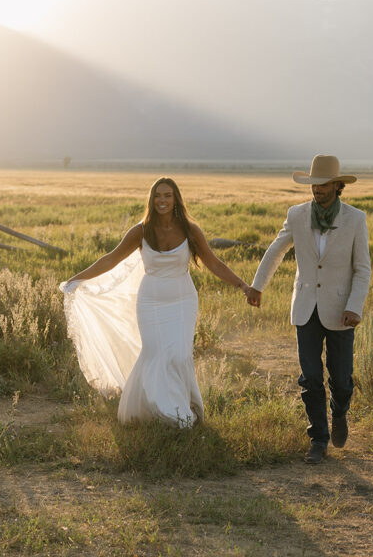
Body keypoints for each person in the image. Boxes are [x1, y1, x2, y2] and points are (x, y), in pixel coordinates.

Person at [61, 176, 257, 426]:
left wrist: (243, 285)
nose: (162, 200)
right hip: (151, 300)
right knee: (155, 353)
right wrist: (76, 279)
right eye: (157, 196)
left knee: (178, 354)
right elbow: (111, 259)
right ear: (151, 200)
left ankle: (179, 409)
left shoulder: (190, 230)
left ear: (176, 199)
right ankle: (160, 410)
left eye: (167, 195)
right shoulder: (141, 231)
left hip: (183, 299)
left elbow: (214, 263)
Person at [246, 155, 371, 463]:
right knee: (310, 377)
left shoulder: (355, 219)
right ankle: (318, 439)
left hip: (341, 309)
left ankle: (339, 412)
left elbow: (362, 269)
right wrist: (257, 285)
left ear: (338, 186)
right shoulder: (297, 215)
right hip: (305, 307)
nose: (318, 190)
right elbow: (277, 249)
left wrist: (355, 306)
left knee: (341, 379)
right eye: (314, 185)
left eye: (324, 185)